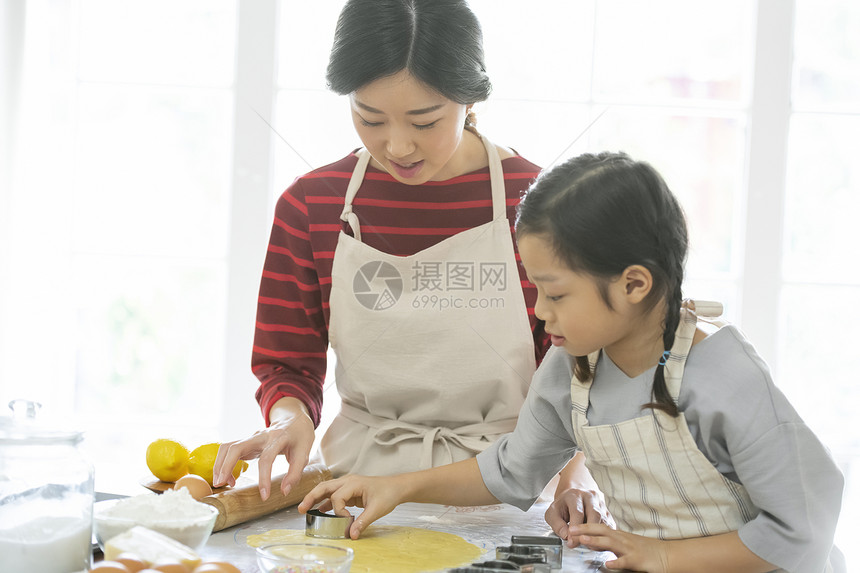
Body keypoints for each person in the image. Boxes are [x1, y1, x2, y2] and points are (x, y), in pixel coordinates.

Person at [298, 152, 845, 573]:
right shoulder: (568, 368)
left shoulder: (725, 376)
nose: (539, 311)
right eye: (535, 289)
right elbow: (512, 470)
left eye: (555, 294)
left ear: (634, 283)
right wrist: (399, 487)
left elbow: (802, 531)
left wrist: (659, 556)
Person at [212, 0, 605, 518]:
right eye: (369, 118)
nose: (396, 146)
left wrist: (579, 478)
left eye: (425, 121)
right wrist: (289, 420)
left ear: (469, 98)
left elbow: (585, 370)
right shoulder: (312, 205)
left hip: (510, 491)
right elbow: (286, 362)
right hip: (355, 491)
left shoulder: (538, 203)